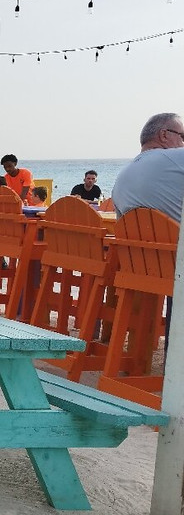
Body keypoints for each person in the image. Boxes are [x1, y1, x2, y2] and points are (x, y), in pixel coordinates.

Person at [112, 112, 184, 345]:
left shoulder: (123, 176)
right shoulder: (175, 157)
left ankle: (172, 353)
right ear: (164, 135)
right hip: (177, 269)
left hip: (145, 270)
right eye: (183, 136)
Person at [113, 112, 184, 219]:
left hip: (138, 230)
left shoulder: (120, 180)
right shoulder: (178, 156)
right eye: (182, 136)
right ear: (164, 135)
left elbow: (120, 224)